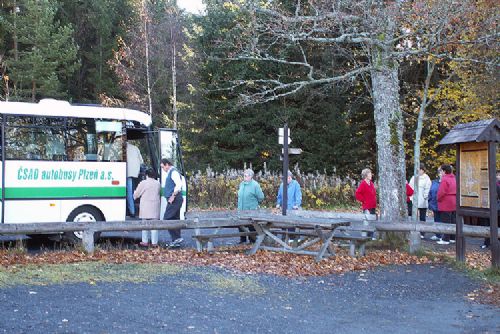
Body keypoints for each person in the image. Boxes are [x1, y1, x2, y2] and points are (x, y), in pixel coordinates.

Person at [134, 168, 161, 248]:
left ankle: (145, 241)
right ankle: (154, 242)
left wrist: (134, 196)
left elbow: (137, 194)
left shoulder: (143, 183)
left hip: (145, 206)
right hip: (155, 206)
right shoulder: (158, 183)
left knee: (145, 225)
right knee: (154, 225)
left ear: (146, 175)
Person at [161, 159, 184, 248]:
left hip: (175, 199)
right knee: (175, 218)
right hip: (175, 199)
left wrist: (172, 196)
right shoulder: (172, 172)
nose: (163, 169)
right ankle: (176, 239)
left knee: (167, 218)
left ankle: (176, 238)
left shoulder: (173, 172)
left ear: (167, 164)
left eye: (163, 167)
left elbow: (178, 185)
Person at [237, 169, 265, 243]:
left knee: (251, 226)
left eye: (246, 176)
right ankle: (242, 241)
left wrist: (254, 204)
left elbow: (261, 197)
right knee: (240, 225)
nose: (244, 177)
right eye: (244, 175)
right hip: (241, 209)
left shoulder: (255, 185)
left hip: (251, 210)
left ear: (251, 176)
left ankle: (252, 241)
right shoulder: (242, 184)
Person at [409, 164, 432, 238]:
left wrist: (425, 197)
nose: (419, 171)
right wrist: (411, 197)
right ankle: (413, 230)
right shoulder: (413, 177)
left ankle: (422, 232)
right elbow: (410, 187)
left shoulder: (427, 178)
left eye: (420, 169)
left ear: (423, 170)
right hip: (414, 199)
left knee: (422, 217)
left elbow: (428, 188)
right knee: (413, 216)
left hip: (422, 200)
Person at [436, 164, 456, 245]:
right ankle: (452, 237)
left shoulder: (445, 179)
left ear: (444, 171)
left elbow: (441, 192)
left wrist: (438, 199)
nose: (440, 172)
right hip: (454, 201)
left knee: (446, 221)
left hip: (446, 202)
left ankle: (445, 239)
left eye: (441, 171)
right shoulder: (454, 178)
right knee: (452, 220)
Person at [355, 168, 376, 238]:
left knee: (372, 222)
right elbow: (357, 194)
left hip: (373, 206)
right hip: (367, 206)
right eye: (370, 174)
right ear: (366, 175)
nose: (371, 175)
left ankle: (371, 237)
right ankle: (366, 237)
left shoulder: (371, 183)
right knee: (367, 222)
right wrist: (364, 200)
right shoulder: (363, 184)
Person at [126, 142, 143, 218]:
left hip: (126, 173)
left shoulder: (121, 148)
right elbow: (141, 161)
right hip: (135, 173)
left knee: (129, 192)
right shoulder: (135, 148)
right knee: (132, 191)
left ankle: (132, 211)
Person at [428, 167, 444, 241]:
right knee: (436, 220)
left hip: (443, 205)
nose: (441, 174)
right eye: (439, 172)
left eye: (442, 172)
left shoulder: (446, 182)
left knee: (442, 220)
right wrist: (430, 200)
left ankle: (443, 236)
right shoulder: (434, 182)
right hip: (434, 204)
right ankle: (438, 235)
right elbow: (430, 191)